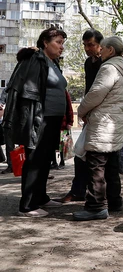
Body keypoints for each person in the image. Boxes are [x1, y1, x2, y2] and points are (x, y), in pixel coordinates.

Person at [2, 27, 67, 217]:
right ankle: (27, 205)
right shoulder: (34, 60)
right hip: (39, 118)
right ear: (45, 42)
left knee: (45, 159)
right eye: (58, 42)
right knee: (34, 160)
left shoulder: (53, 62)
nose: (61, 47)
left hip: (53, 119)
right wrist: (27, 120)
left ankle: (41, 197)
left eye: (63, 43)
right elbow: (24, 91)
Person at [73, 36, 123, 221]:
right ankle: (115, 202)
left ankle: (96, 207)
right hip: (114, 124)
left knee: (96, 167)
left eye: (103, 48)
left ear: (110, 50)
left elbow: (95, 94)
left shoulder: (109, 68)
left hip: (102, 124)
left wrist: (81, 110)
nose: (99, 51)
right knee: (111, 166)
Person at [56, 29, 104, 203]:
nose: (87, 48)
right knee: (81, 154)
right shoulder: (87, 62)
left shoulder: (106, 62)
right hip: (89, 115)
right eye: (84, 45)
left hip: (102, 116)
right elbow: (89, 89)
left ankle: (99, 196)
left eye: (90, 44)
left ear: (100, 45)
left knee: (95, 157)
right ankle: (78, 191)